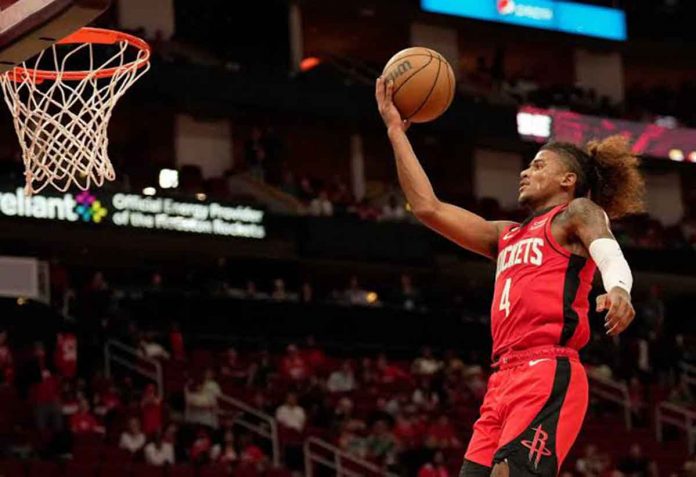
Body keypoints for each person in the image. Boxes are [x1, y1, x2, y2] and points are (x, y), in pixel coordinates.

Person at [376, 76, 644, 477]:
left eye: (538, 166)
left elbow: (608, 250)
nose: (525, 172)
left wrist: (619, 288)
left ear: (567, 181)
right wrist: (396, 130)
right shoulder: (504, 235)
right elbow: (427, 207)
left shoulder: (577, 214)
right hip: (502, 379)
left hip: (548, 370)